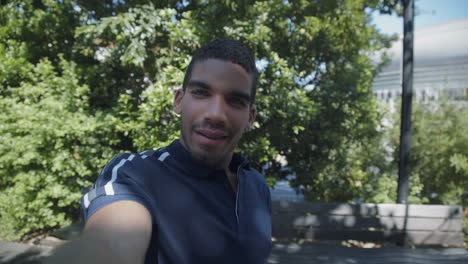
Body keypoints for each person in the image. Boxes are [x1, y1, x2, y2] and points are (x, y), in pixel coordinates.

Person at [46, 38, 272, 264]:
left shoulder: (257, 186)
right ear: (179, 101)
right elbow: (110, 243)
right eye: (201, 93)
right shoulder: (134, 174)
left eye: (235, 101)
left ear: (250, 117)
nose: (216, 114)